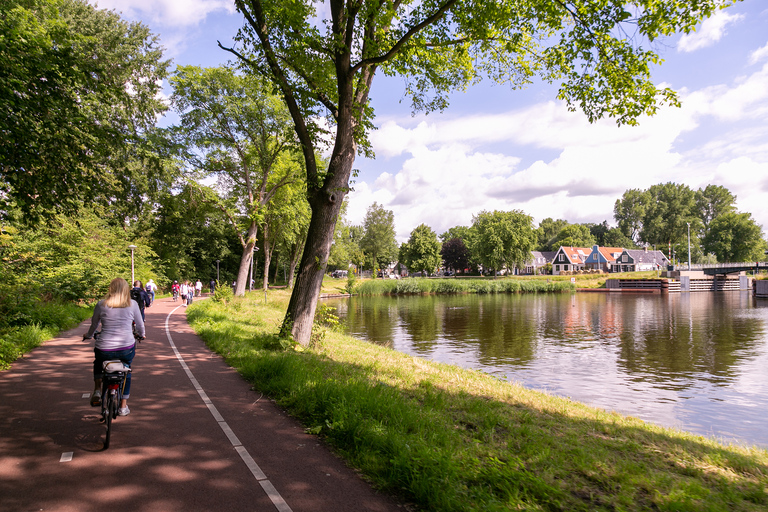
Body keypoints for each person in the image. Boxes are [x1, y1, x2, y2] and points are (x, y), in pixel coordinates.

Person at [83, 278, 145, 416]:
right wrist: (142, 335)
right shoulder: (133, 304)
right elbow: (140, 326)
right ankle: (123, 407)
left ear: (111, 289)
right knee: (126, 370)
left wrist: (88, 335)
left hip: (104, 349)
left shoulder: (101, 304)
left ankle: (98, 390)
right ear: (125, 290)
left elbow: (94, 326)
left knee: (98, 363)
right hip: (126, 348)